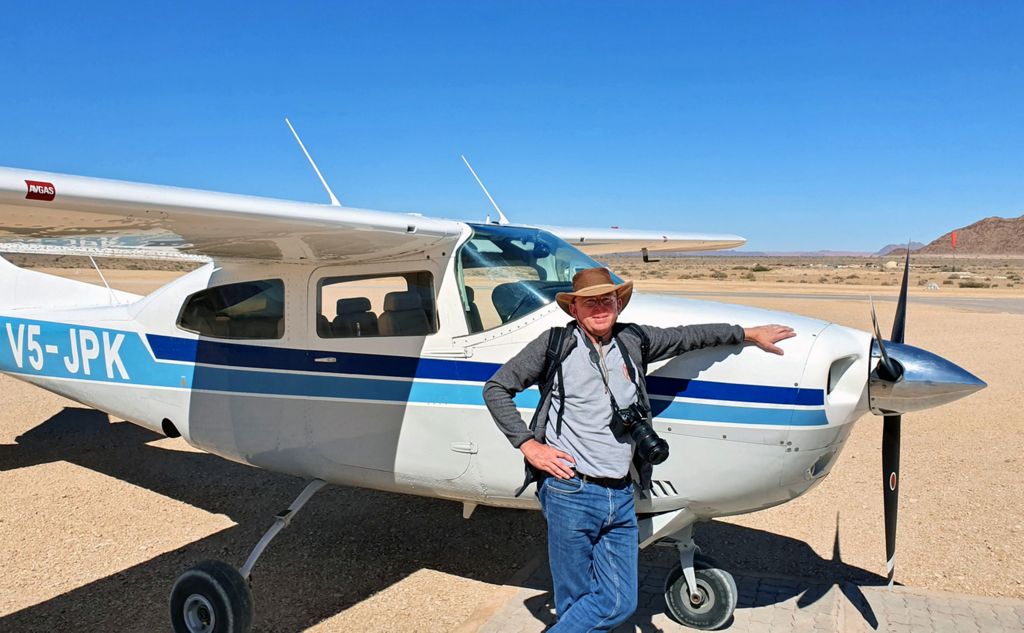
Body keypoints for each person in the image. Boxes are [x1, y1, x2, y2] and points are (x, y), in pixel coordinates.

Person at [483, 267, 794, 632]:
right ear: (574, 310)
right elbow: (496, 388)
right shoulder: (555, 345)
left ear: (618, 303)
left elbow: (687, 338)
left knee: (619, 601)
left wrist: (747, 334)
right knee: (574, 598)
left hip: (621, 492)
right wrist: (529, 445)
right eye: (590, 301)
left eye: (607, 299)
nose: (600, 307)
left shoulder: (632, 341)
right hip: (570, 490)